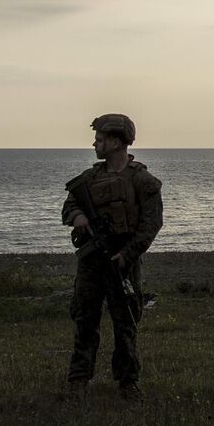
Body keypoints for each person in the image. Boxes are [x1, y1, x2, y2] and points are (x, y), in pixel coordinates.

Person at [61, 113, 164, 400]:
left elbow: (151, 224)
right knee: (85, 320)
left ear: (117, 143)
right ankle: (78, 381)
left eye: (101, 139)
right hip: (92, 258)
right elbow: (69, 204)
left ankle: (128, 382)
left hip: (123, 261)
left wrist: (126, 255)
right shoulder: (90, 178)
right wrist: (79, 216)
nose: (95, 144)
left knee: (126, 324)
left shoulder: (142, 181)